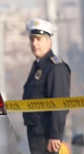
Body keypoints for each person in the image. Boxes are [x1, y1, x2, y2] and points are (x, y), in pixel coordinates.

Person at [22, 18, 71, 154]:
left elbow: (60, 102)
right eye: (32, 39)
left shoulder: (55, 67)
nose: (34, 43)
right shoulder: (38, 66)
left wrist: (55, 135)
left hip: (46, 133)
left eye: (39, 39)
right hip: (35, 131)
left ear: (49, 41)